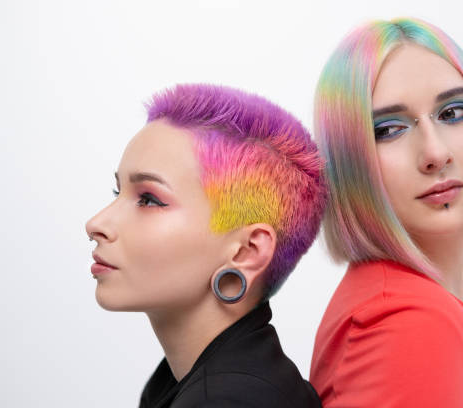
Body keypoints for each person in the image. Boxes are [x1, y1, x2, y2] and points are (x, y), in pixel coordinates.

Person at [309, 18, 463, 407]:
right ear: (347, 160)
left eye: (453, 112)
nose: (435, 153)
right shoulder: (409, 322)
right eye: (389, 129)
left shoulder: (460, 304)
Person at [85, 84, 325, 407]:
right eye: (118, 193)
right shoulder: (189, 381)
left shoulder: (225, 400)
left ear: (246, 252)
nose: (96, 224)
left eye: (149, 199)